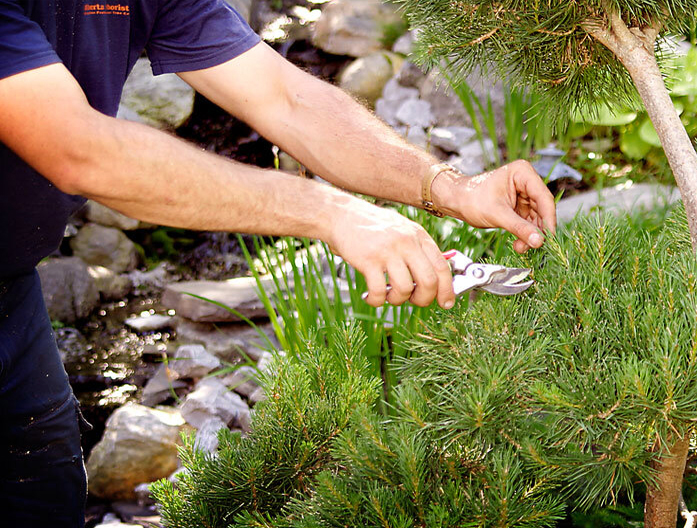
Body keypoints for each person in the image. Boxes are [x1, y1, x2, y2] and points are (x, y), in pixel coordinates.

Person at [0, 0, 557, 524]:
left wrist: (450, 186)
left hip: (13, 295)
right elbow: (78, 149)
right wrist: (330, 211)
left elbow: (284, 98)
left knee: (43, 495)